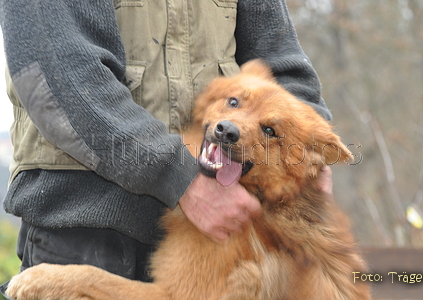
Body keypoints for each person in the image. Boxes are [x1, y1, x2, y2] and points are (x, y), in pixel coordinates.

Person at [0, 0, 332, 294]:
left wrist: (307, 154)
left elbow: (281, 66)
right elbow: (58, 75)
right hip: (88, 232)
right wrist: (180, 178)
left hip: (227, 233)